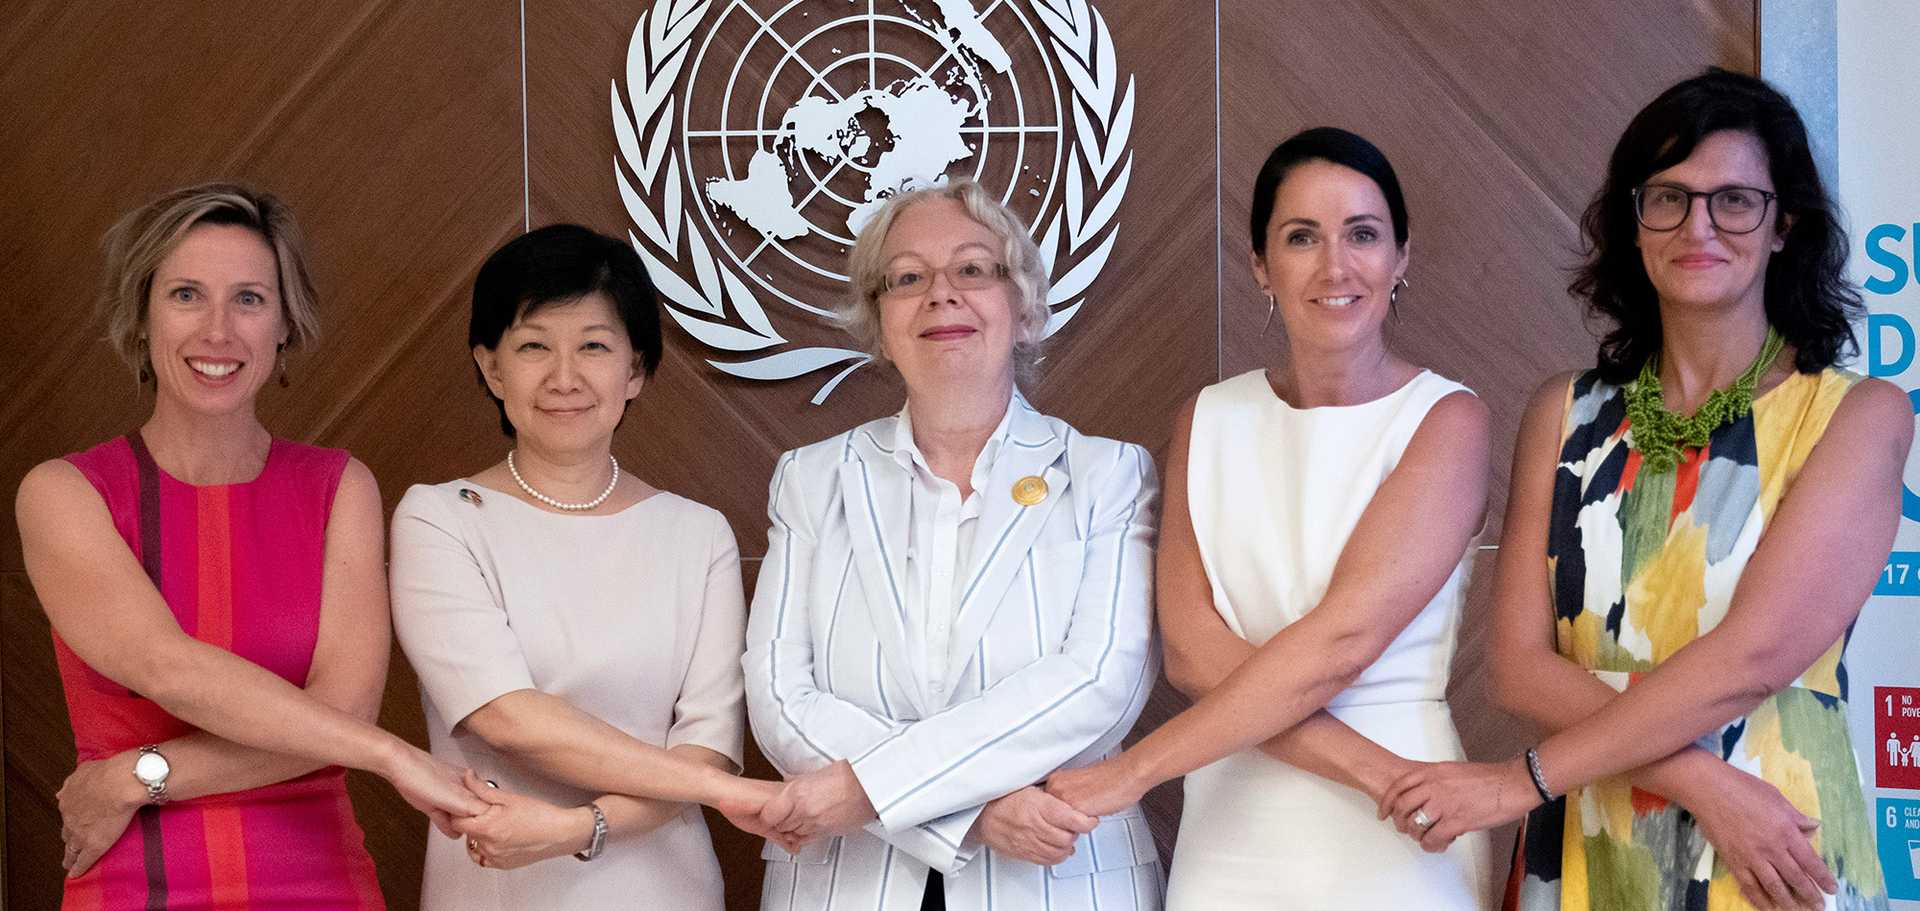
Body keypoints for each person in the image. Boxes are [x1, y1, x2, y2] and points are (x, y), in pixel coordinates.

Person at [1375, 69, 1907, 911]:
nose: (1699, 224)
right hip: (1595, 841)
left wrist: (1522, 781)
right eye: (1669, 197)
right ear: (1636, 221)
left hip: (1772, 844)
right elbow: (1516, 670)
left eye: (1734, 199)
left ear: (1784, 225)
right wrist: (1702, 781)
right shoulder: (1562, 411)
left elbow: (1754, 658)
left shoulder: (1859, 414)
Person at [1043, 127, 1493, 908]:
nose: (1335, 265)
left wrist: (1136, 769)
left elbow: (1343, 645)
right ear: (1261, 265)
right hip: (1246, 815)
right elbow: (1189, 653)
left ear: (1400, 259)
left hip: (1403, 832)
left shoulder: (1448, 418)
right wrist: (1373, 771)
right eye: (1300, 237)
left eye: (1362, 235)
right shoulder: (1207, 416)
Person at [16, 182, 487, 909]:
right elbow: (166, 666)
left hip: (322, 883)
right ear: (141, 316)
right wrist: (392, 755)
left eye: (248, 299)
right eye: (185, 295)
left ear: (284, 325)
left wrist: (134, 775)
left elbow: (344, 710)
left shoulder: (339, 487)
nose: (218, 330)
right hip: (136, 888)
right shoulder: (64, 493)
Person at [742, 178, 1163, 911]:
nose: (941, 294)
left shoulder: (1107, 473)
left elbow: (1100, 682)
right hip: (847, 885)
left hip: (1059, 883)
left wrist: (872, 787)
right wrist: (970, 813)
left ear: (1024, 309)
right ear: (879, 322)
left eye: (973, 268)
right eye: (907, 278)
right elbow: (780, 696)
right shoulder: (811, 479)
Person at [387, 224, 780, 910]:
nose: (564, 377)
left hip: (669, 892)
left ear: (634, 370)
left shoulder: (696, 534)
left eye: (594, 346)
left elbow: (707, 751)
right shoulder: (438, 518)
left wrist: (579, 827)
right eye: (534, 345)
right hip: (497, 890)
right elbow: (507, 717)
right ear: (491, 367)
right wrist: (721, 793)